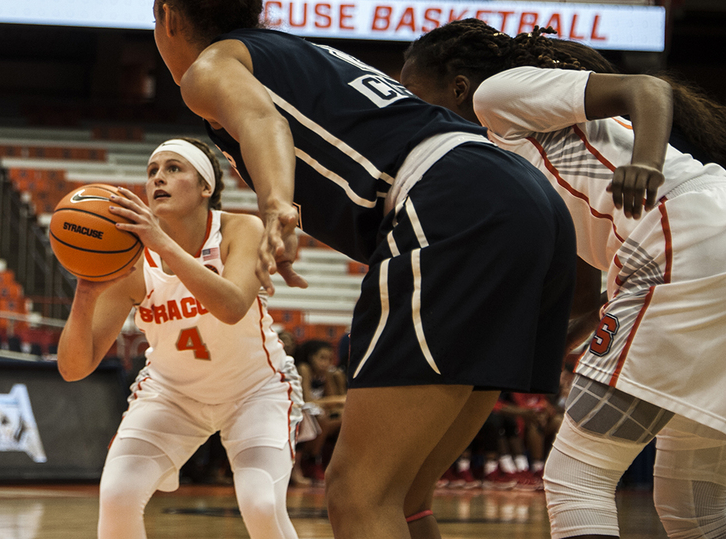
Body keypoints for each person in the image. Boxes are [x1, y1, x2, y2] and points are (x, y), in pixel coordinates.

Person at [151, 2, 577, 537]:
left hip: (451, 198)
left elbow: (262, 119)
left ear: (169, 16)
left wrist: (278, 204)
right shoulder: (293, 51)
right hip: (522, 197)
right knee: (404, 495)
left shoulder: (208, 68)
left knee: (357, 494)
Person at [402, 19, 726, 539]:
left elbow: (648, 87)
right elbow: (581, 297)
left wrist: (643, 164)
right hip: (701, 244)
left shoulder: (495, 95)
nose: (407, 106)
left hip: (677, 238)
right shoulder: (525, 154)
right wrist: (549, 351)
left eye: (412, 91)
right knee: (690, 492)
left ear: (458, 87)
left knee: (578, 477)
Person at [56, 137, 303, 539]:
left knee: (261, 503)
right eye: (152, 170)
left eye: (174, 169)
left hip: (255, 391)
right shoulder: (130, 258)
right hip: (172, 394)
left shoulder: (241, 228)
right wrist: (86, 292)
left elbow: (231, 307)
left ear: (205, 187)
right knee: (117, 493)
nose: (158, 178)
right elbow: (73, 368)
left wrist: (162, 243)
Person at [295, 339, 347, 483]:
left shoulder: (327, 374)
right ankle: (310, 460)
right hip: (301, 413)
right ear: (311, 357)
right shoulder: (304, 369)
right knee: (323, 419)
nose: (326, 363)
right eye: (322, 358)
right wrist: (337, 400)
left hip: (317, 415)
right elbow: (307, 401)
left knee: (344, 418)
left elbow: (331, 399)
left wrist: (336, 400)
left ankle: (337, 463)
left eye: (330, 359)